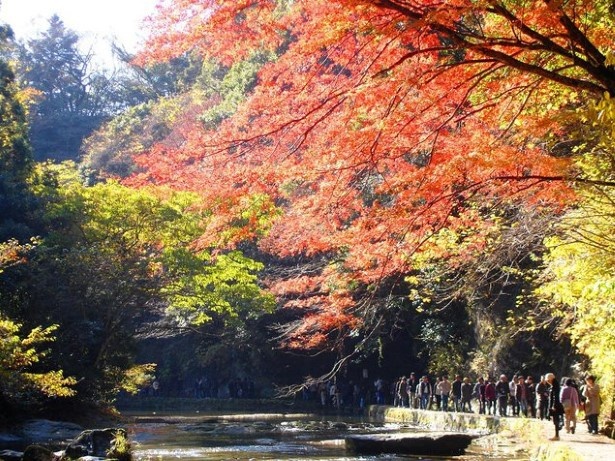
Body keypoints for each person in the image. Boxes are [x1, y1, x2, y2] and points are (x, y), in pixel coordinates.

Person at [546, 372, 564, 440]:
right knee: (555, 420)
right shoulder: (555, 386)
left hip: (556, 406)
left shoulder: (555, 387)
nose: (547, 382)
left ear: (550, 379)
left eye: (548, 380)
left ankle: (557, 436)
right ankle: (556, 435)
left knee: (556, 420)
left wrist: (553, 406)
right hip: (556, 405)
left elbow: (555, 397)